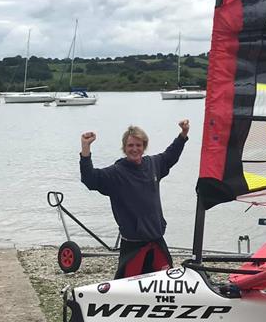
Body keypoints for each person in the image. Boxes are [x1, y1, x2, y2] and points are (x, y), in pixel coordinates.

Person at [79, 119, 189, 280]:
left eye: (138, 145)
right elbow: (90, 179)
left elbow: (170, 155)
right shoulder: (116, 173)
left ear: (144, 146)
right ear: (124, 148)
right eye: (130, 145)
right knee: (125, 289)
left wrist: (183, 135)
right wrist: (85, 149)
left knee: (166, 283)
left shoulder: (153, 164)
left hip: (157, 240)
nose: (135, 149)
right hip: (133, 245)